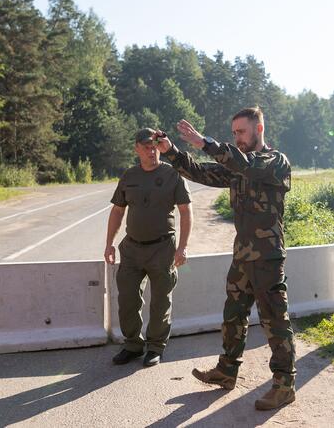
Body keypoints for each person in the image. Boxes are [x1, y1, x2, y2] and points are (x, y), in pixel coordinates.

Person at [157, 107, 296, 410]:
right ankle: (227, 371)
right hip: (243, 254)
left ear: (259, 129)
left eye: (241, 132)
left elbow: (246, 165)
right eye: (233, 133)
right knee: (233, 315)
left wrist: (206, 142)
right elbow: (200, 172)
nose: (237, 138)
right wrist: (172, 151)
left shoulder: (275, 162)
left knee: (275, 319)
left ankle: (284, 384)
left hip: (267, 257)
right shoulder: (238, 165)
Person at [105, 127, 192, 367]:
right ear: (136, 149)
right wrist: (109, 244)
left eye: (154, 146)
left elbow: (185, 211)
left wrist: (182, 247)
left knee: (161, 301)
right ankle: (133, 344)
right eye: (146, 146)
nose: (151, 151)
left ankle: (155, 347)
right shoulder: (129, 176)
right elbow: (117, 210)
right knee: (128, 300)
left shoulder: (173, 174)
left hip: (162, 248)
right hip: (132, 249)